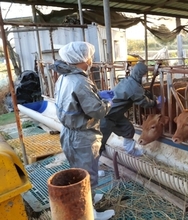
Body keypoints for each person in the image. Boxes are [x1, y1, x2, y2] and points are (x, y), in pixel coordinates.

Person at [52, 41, 115, 219]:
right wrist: (108, 102)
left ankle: (90, 198)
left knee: (78, 168)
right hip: (82, 134)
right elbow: (97, 111)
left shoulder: (64, 76)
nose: (91, 59)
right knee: (86, 173)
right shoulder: (80, 81)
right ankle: (90, 213)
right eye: (89, 56)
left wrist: (95, 95)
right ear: (83, 59)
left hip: (68, 131)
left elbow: (76, 101)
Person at [99, 62, 162, 157]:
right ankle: (95, 168)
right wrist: (155, 103)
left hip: (116, 114)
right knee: (100, 142)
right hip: (107, 115)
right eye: (144, 75)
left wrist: (153, 96)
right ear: (140, 74)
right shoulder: (133, 86)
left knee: (128, 129)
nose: (145, 77)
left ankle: (131, 151)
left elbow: (143, 92)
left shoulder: (129, 80)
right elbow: (143, 101)